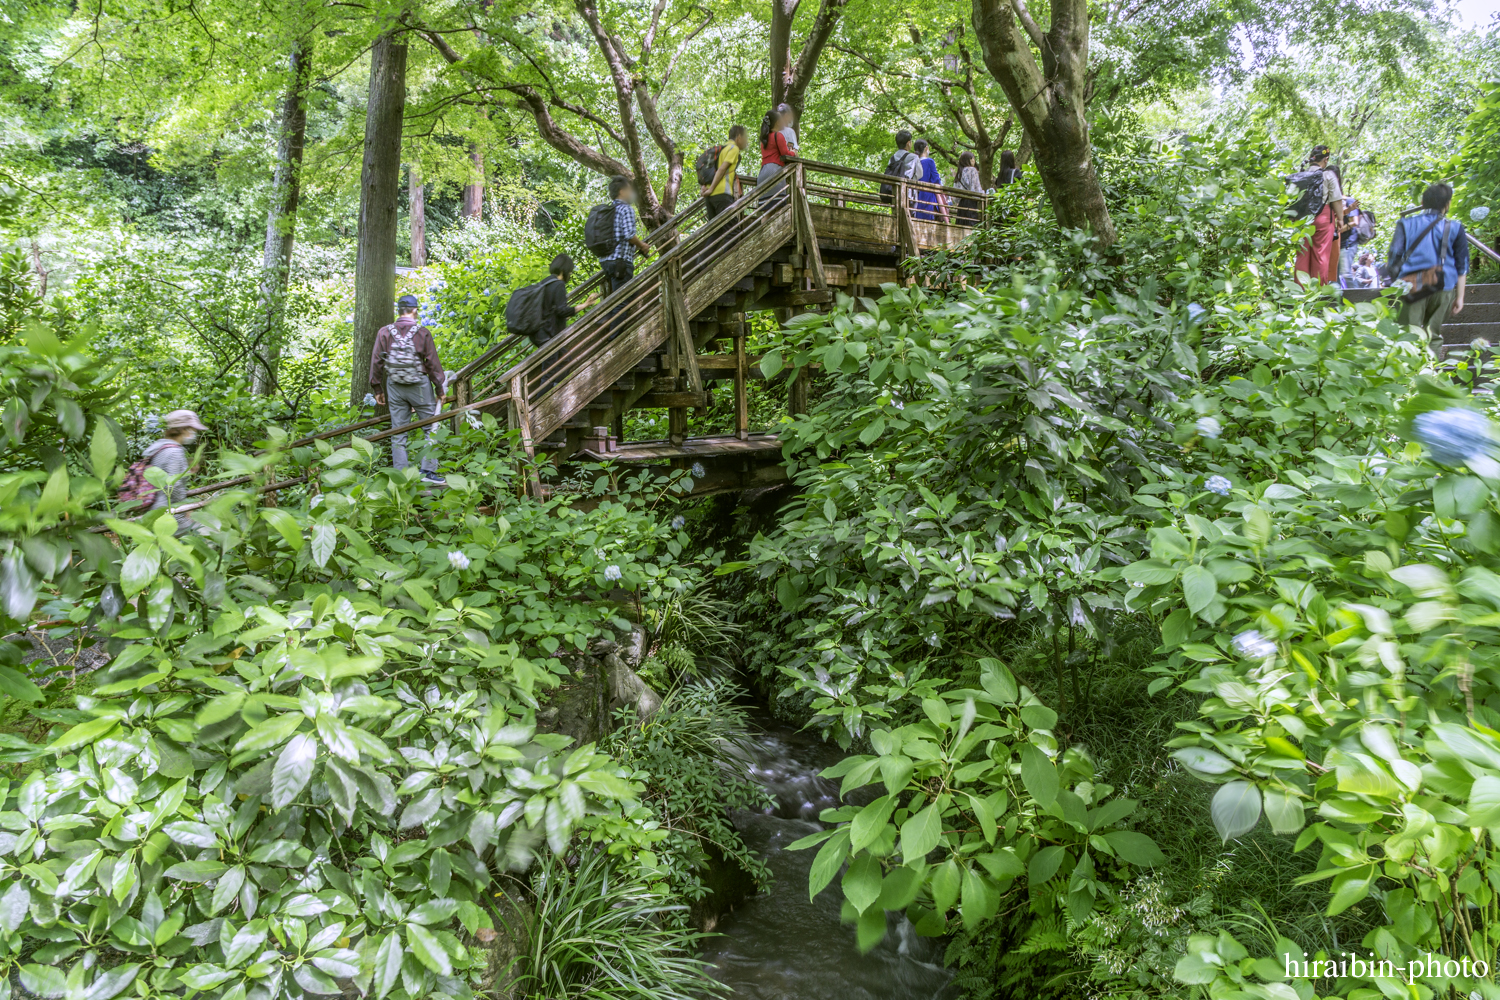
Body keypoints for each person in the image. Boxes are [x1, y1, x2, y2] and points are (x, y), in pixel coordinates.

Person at [371, 293, 447, 485]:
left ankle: (400, 477)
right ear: (415, 310)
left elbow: (376, 361)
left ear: (399, 310)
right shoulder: (422, 332)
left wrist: (377, 387)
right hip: (419, 385)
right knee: (431, 428)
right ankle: (428, 472)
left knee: (398, 432)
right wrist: (439, 388)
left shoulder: (385, 332)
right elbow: (432, 363)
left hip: (394, 384)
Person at [1386, 182, 1470, 351]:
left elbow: (1394, 257)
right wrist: (1460, 297)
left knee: (1408, 335)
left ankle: (1408, 374)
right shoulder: (1455, 227)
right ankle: (1431, 375)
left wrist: (1397, 283)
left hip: (1411, 286)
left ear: (1423, 203)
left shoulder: (1405, 224)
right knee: (1433, 335)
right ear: (1447, 204)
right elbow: (1462, 266)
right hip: (1443, 287)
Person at [143, 409, 207, 532]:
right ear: (184, 429)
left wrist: (186, 470)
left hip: (154, 509)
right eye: (192, 429)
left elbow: (163, 474)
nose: (194, 433)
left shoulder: (159, 447)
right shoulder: (174, 452)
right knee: (208, 534)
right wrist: (186, 508)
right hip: (169, 512)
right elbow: (173, 486)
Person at [1293, 145, 1344, 287]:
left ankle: (1299, 290)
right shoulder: (1328, 175)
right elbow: (1336, 199)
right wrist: (1340, 219)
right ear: (1326, 159)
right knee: (1320, 255)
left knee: (1302, 255)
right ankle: (1318, 292)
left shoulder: (1300, 176)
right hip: (1323, 217)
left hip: (1302, 219)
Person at [601, 175, 653, 296]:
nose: (631, 193)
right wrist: (642, 246)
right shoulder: (626, 209)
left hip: (607, 262)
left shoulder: (610, 210)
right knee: (622, 304)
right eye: (629, 190)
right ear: (622, 192)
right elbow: (629, 235)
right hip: (620, 262)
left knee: (624, 299)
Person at [536, 254, 599, 345]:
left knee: (562, 358)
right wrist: (585, 304)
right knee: (562, 358)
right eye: (570, 271)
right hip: (551, 335)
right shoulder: (559, 285)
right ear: (564, 270)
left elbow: (553, 312)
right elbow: (562, 311)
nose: (570, 274)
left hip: (540, 333)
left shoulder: (545, 282)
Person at [703, 125, 748, 220]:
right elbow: (722, 169)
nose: (746, 141)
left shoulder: (722, 149)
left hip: (710, 198)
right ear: (739, 137)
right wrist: (711, 188)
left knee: (716, 232)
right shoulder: (734, 148)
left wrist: (706, 188)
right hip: (722, 195)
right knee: (732, 231)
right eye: (745, 138)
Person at [758, 106, 797, 208]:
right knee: (777, 205)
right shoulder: (778, 136)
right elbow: (785, 153)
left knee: (765, 208)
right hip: (775, 171)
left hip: (763, 173)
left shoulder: (764, 139)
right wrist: (793, 153)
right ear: (778, 123)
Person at [912, 140, 949, 223]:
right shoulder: (929, 162)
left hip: (917, 197)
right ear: (926, 148)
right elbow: (936, 180)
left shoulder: (914, 163)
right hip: (929, 197)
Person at [953, 152, 983, 225]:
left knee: (961, 226)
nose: (974, 161)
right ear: (970, 159)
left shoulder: (959, 172)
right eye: (973, 158)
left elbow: (955, 195)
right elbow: (976, 189)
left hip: (961, 203)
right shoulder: (972, 170)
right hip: (971, 203)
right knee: (971, 225)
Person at [1338, 198, 1364, 282]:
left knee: (1346, 274)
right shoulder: (1332, 202)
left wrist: (1337, 230)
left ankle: (1356, 295)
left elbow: (1354, 222)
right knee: (1336, 275)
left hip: (1347, 244)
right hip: (1338, 244)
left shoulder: (1349, 201)